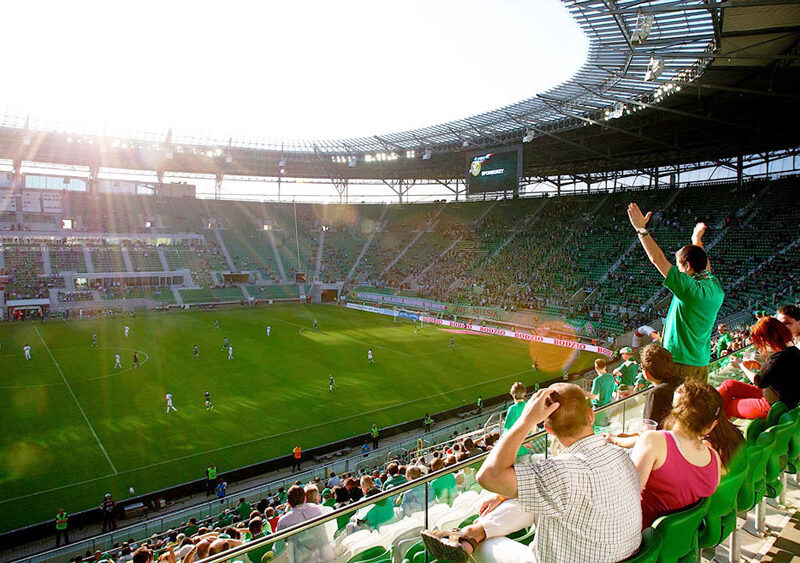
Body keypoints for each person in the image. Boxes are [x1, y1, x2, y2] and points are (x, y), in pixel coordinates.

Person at [422, 384, 642, 562]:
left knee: (481, 548)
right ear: (591, 416)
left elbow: (487, 476)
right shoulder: (621, 455)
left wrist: (526, 420)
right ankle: (470, 533)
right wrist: (503, 495)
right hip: (623, 554)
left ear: (548, 429)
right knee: (527, 497)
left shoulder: (560, 474)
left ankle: (469, 541)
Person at [627, 205, 724, 381]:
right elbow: (704, 266)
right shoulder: (714, 286)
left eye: (679, 267)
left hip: (680, 364)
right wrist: (696, 241)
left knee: (676, 407)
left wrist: (641, 229)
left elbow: (657, 259)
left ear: (687, 266)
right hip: (701, 363)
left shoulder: (689, 289)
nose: (678, 272)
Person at [631, 380, 722, 527]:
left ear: (674, 410)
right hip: (683, 544)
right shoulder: (714, 459)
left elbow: (626, 498)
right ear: (711, 426)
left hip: (643, 541)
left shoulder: (653, 440)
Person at [719, 317, 800, 418]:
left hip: (772, 406)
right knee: (728, 384)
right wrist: (759, 367)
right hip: (774, 395)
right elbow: (779, 373)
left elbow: (760, 381)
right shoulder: (793, 351)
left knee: (728, 405)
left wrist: (740, 364)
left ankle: (709, 422)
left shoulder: (779, 357)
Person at [276, 485, 333, 560]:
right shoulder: (316, 509)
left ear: (288, 502)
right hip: (325, 556)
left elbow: (278, 549)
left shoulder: (283, 522)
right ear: (305, 498)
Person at [503, 382, 531, 457]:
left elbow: (508, 430)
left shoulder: (512, 409)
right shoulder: (528, 406)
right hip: (527, 446)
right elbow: (533, 425)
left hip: (517, 449)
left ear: (512, 394)